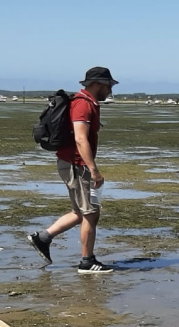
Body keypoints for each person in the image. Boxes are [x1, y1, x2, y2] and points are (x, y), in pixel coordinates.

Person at [27, 66, 119, 274]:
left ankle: (42, 238)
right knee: (91, 213)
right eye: (108, 85)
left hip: (72, 163)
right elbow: (80, 138)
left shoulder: (86, 102)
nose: (110, 90)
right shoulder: (83, 104)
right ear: (97, 84)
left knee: (80, 212)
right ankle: (87, 262)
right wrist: (93, 169)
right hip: (76, 165)